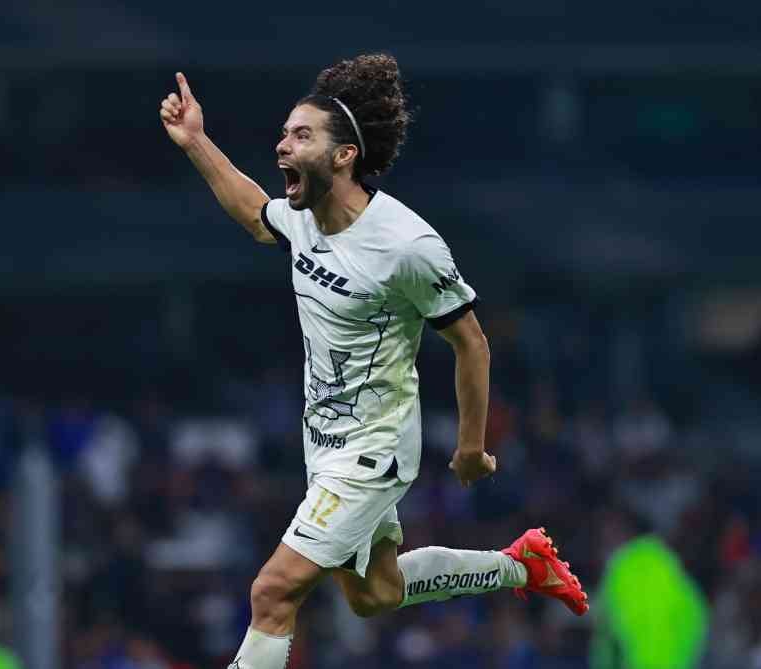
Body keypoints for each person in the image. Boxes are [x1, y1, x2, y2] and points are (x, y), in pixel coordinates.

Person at [159, 53, 588, 669]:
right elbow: (255, 214)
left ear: (343, 156)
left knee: (272, 592)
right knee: (373, 594)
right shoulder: (306, 218)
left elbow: (471, 341)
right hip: (326, 444)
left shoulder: (406, 245)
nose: (282, 146)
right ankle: (519, 565)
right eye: (283, 133)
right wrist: (196, 141)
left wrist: (471, 447)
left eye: (300, 135)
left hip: (374, 452)